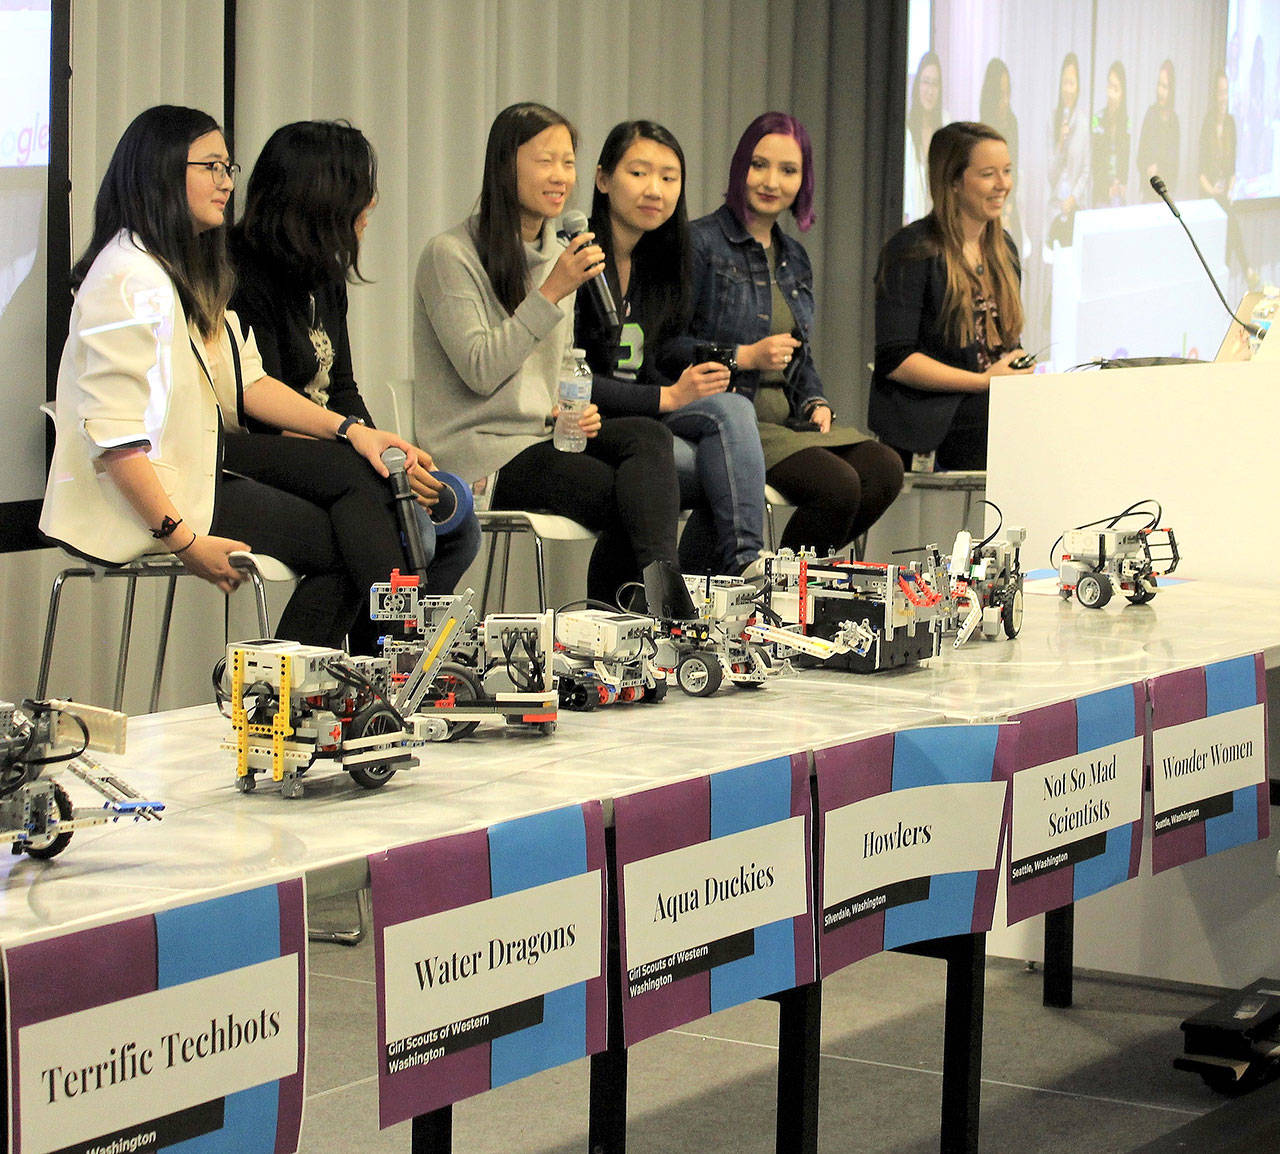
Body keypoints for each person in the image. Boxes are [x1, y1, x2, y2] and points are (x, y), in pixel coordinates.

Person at [39, 105, 420, 654]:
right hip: (146, 499)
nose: (226, 183)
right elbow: (115, 440)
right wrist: (183, 540)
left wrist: (353, 431)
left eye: (228, 168)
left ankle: (382, 665)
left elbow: (249, 383)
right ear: (161, 171)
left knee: (358, 485)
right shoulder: (127, 278)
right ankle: (391, 662)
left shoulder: (182, 267)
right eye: (211, 167)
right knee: (347, 533)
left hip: (197, 472)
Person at [413, 102, 681, 605]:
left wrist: (569, 407)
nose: (561, 176)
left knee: (649, 437)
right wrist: (552, 290)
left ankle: (656, 600)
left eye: (568, 162)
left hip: (540, 437)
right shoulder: (450, 254)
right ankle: (640, 617)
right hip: (481, 455)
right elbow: (480, 370)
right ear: (505, 165)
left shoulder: (558, 253)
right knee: (630, 502)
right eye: (545, 161)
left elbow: (554, 367)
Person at [229, 120, 480, 595]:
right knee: (404, 527)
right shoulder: (242, 275)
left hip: (335, 450)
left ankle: (392, 639)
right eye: (360, 189)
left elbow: (341, 387)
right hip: (277, 456)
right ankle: (392, 637)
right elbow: (261, 412)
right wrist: (367, 455)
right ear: (319, 197)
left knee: (457, 528)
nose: (372, 203)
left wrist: (390, 456)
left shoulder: (324, 273)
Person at [664, 112, 903, 558]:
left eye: (788, 170)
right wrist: (743, 356)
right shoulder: (700, 243)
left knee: (885, 468)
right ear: (740, 167)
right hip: (734, 421)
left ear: (802, 180)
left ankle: (788, 579)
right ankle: (779, 585)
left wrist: (816, 401)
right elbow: (666, 349)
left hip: (787, 421)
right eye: (759, 165)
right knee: (838, 485)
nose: (772, 181)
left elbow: (799, 356)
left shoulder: (794, 256)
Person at [577, 119, 764, 576]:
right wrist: (669, 396)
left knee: (733, 410)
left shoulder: (659, 264)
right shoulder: (578, 260)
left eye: (668, 177)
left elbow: (652, 359)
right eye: (638, 173)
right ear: (603, 179)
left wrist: (693, 378)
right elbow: (571, 378)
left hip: (645, 421)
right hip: (590, 426)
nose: (654, 190)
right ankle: (728, 576)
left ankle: (735, 570)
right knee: (722, 472)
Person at [869, 122, 1034, 471]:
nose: (1003, 184)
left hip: (987, 404)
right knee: (1022, 426)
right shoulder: (912, 249)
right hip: (931, 418)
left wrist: (1016, 363)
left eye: (1006, 171)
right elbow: (896, 360)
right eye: (988, 174)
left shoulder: (1003, 248)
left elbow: (1005, 341)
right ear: (954, 181)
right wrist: (984, 382)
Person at [1198, 69, 1255, 287]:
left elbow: (1233, 170)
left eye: (1226, 92)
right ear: (1215, 95)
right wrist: (1212, 190)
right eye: (1220, 92)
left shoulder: (1231, 123)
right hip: (1209, 196)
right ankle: (1247, 268)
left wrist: (1230, 189)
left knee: (1229, 232)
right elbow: (1200, 172)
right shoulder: (1207, 124)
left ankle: (1238, 273)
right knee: (1229, 221)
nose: (1224, 98)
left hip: (1225, 196)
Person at [979, 58, 1023, 255]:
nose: (1005, 101)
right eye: (1000, 95)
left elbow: (1014, 169)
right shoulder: (981, 129)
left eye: (1008, 93)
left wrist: (1009, 206)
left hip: (1008, 202)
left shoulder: (1012, 123)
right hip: (987, 206)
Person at [1047, 52, 1089, 246]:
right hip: (1055, 208)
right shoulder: (1052, 120)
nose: (1068, 89)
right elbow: (1051, 176)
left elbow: (1086, 171)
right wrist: (1060, 144)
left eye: (1072, 83)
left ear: (1078, 87)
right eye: (1065, 83)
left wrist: (1073, 198)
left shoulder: (1083, 123)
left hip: (1076, 207)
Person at [904, 51, 944, 224]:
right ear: (917, 85)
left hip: (940, 220)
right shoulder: (907, 129)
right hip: (913, 221)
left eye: (935, 84)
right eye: (926, 82)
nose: (930, 91)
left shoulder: (946, 125)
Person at [1138, 60, 1180, 200]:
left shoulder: (1174, 121)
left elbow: (1175, 164)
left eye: (1165, 87)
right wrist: (1148, 168)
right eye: (1159, 85)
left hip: (1166, 195)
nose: (1160, 91)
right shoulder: (1150, 114)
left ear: (1171, 90)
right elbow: (1140, 157)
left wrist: (1160, 168)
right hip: (1148, 191)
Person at [1091, 61, 1131, 207]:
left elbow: (1125, 158)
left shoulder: (1126, 121)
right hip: (1101, 192)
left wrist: (1121, 183)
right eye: (1109, 86)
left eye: (1116, 89)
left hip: (1118, 193)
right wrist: (1106, 187)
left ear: (1122, 93)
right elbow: (1095, 161)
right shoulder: (1097, 119)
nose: (1111, 93)